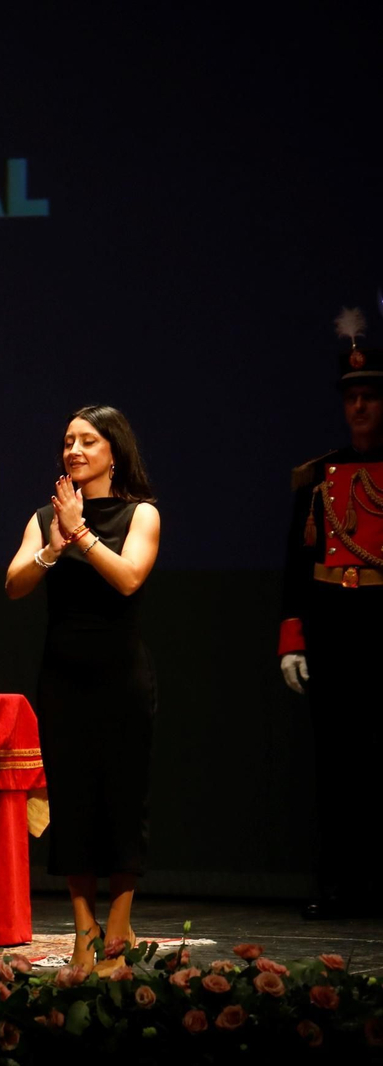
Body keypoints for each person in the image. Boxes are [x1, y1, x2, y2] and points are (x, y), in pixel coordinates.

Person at [3, 406, 160, 970]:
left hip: (120, 677)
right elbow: (14, 585)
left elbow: (129, 579)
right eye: (68, 440)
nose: (73, 450)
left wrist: (82, 535)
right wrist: (52, 545)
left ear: (113, 451)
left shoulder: (140, 513)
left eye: (88, 441)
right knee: (70, 804)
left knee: (121, 799)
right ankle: (83, 932)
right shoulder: (46, 515)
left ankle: (118, 931)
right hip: (63, 677)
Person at [277, 311, 381, 921]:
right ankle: (339, 883)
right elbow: (297, 563)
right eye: (353, 398)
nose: (360, 407)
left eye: (370, 396)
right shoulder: (319, 477)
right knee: (336, 769)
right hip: (335, 632)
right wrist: (294, 637)